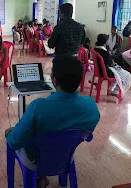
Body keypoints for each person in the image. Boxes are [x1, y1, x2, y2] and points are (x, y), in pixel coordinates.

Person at [6, 56, 100, 187]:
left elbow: (14, 142)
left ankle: (38, 178)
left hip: (36, 160)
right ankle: (50, 179)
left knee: (13, 135)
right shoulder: (91, 106)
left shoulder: (38, 107)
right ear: (79, 81)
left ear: (54, 81)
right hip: (66, 155)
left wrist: (10, 134)